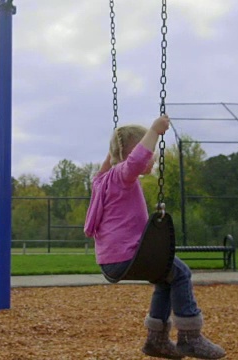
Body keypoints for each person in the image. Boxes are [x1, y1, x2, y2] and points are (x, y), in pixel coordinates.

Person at [84, 115, 226, 359]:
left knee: (165, 278)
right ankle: (190, 337)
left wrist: (113, 152)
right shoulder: (122, 177)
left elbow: (109, 164)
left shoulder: (101, 181)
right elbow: (136, 161)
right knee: (181, 273)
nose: (151, 159)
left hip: (110, 261)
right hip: (128, 256)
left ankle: (157, 340)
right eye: (150, 154)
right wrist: (155, 130)